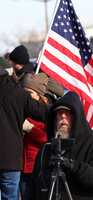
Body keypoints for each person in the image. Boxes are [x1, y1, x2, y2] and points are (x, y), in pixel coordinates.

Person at [29, 91, 93, 200]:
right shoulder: (47, 147)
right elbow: (33, 188)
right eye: (59, 113)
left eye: (68, 113)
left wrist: (73, 166)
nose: (63, 116)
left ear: (77, 117)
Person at [0, 66, 48, 200]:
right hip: (12, 159)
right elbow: (42, 112)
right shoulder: (18, 93)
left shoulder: (19, 93)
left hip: (17, 162)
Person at [20, 73, 49, 200]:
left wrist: (29, 128)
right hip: (20, 166)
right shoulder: (20, 108)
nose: (26, 96)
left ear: (39, 95)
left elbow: (45, 138)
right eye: (24, 92)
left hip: (36, 167)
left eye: (30, 93)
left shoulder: (46, 113)